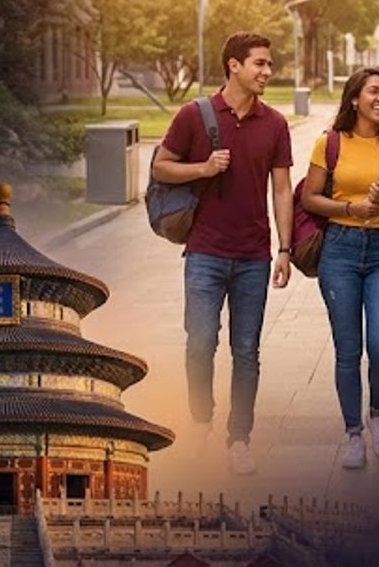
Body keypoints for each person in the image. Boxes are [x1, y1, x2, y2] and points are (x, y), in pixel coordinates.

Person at [150, 32, 295, 477]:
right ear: (233, 65)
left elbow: (283, 188)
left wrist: (284, 249)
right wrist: (203, 168)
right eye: (259, 64)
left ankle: (239, 438)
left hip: (253, 255)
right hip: (205, 253)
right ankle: (199, 423)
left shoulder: (274, 123)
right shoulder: (194, 115)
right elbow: (159, 165)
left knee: (246, 350)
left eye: (269, 65)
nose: (267, 72)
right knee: (200, 343)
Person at [300, 68, 379, 469]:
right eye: (373, 91)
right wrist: (350, 208)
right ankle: (353, 432)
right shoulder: (331, 143)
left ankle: (377, 415)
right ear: (354, 98)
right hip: (340, 250)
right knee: (348, 349)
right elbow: (310, 198)